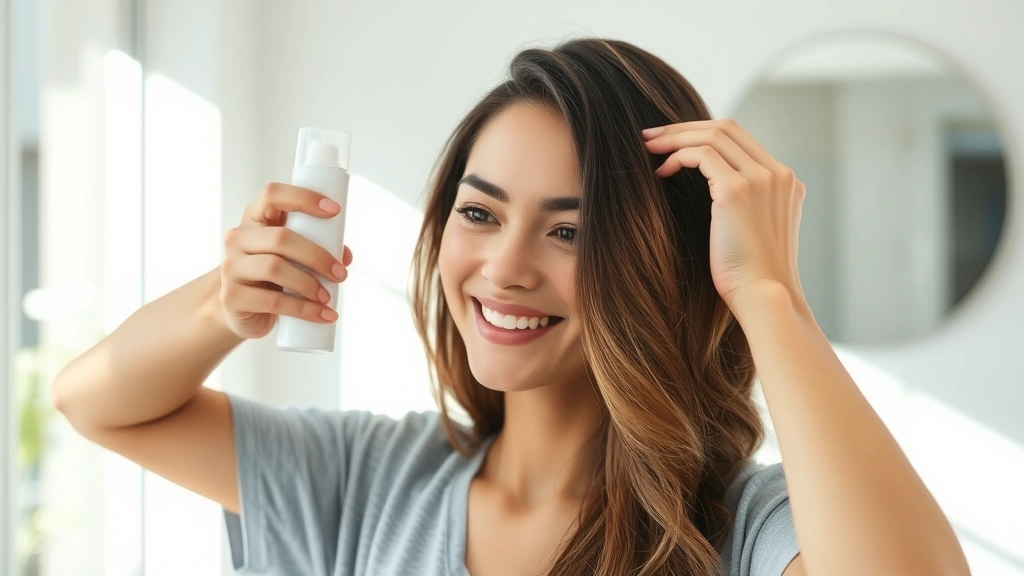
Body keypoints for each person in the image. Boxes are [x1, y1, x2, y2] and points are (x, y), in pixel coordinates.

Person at [51, 38, 970, 576]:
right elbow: (93, 400)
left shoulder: (744, 528)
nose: (504, 267)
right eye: (480, 213)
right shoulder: (366, 481)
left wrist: (768, 295)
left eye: (570, 232)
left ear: (663, 262)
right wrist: (225, 302)